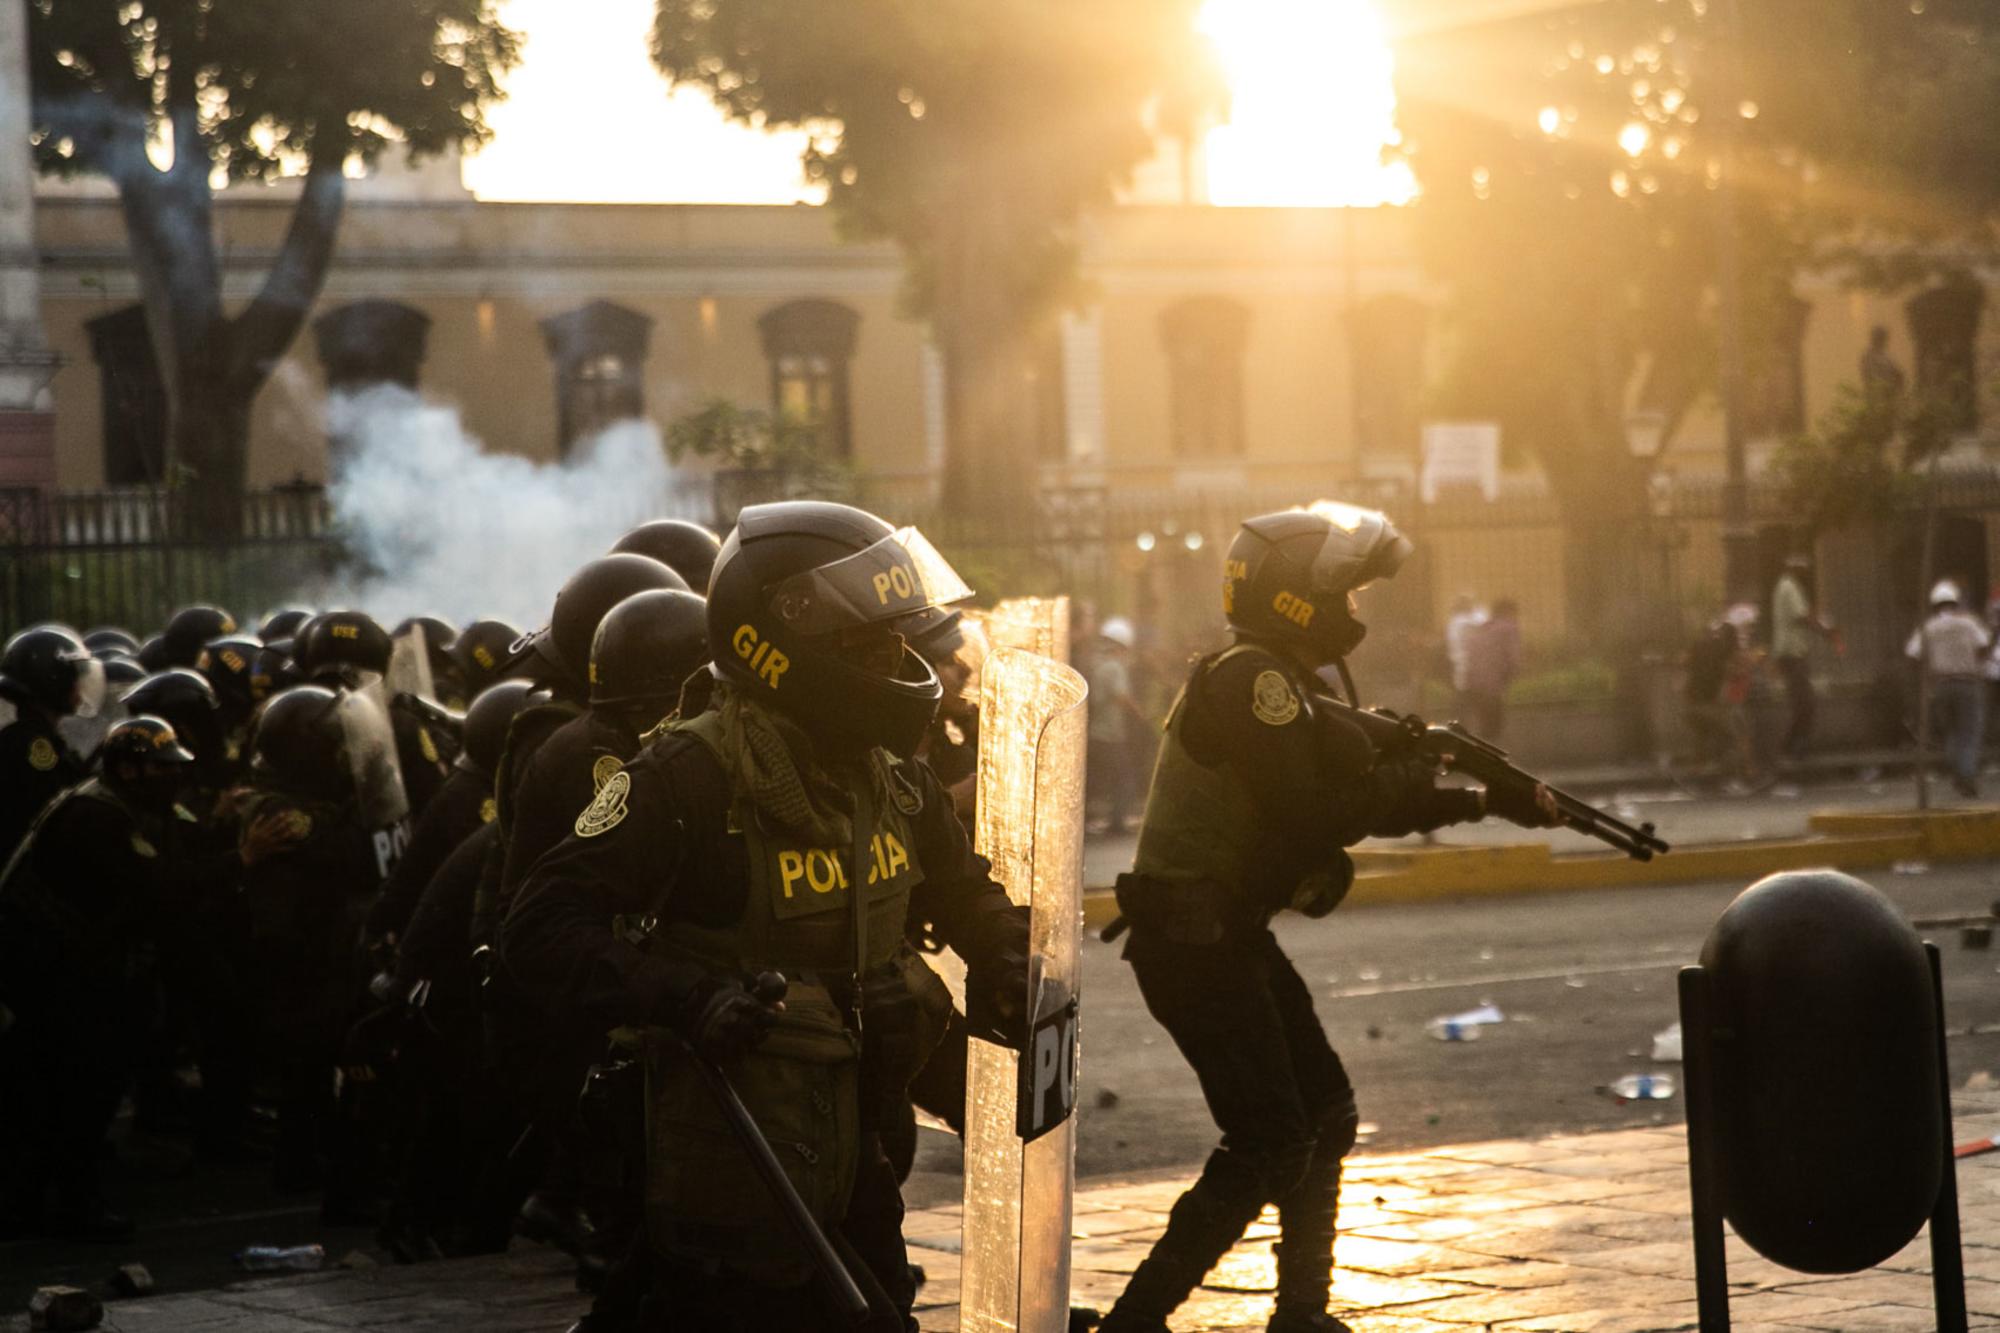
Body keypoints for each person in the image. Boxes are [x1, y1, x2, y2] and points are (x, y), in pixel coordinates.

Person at [501, 500, 1030, 1332]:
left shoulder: (888, 774)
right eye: (865, 642)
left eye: (894, 637)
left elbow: (963, 887)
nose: (892, 659)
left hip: (857, 1138)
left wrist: (1006, 952)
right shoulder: (685, 777)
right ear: (777, 641)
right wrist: (688, 995)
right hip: (730, 1153)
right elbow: (539, 924)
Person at [1099, 503, 1557, 1333]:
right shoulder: (1255, 683)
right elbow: (1320, 810)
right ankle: (1135, 1321)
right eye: (1338, 593)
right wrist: (1436, 779)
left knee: (1326, 1114)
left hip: (1224, 937)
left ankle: (1302, 1315)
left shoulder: (1278, 681)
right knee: (1271, 1138)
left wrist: (1482, 797)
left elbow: (1356, 789)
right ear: (1291, 599)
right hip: (1195, 943)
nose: (1350, 610)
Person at [0, 716, 296, 1236]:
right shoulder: (97, 817)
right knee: (78, 1092)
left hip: (65, 969)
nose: (173, 777)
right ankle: (71, 1208)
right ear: (129, 770)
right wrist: (244, 858)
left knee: (65, 1093)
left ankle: (40, 1202)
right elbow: (163, 887)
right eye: (161, 768)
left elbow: (173, 858)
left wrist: (220, 827)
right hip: (53, 974)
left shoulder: (118, 804)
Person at [0, 625, 101, 862]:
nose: (80, 686)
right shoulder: (32, 747)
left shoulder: (23, 738)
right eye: (74, 677)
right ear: (54, 680)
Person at [1908, 579, 1992, 797]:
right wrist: (1975, 662)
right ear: (1955, 602)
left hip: (1941, 685)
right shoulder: (1969, 623)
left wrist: (1928, 672)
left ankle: (1958, 771)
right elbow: (1984, 646)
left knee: (1951, 732)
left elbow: (1913, 654)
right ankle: (1966, 774)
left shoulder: (1928, 627)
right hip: (1968, 683)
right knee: (1969, 732)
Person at [1770, 553, 1840, 765]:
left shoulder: (1785, 586)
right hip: (1792, 653)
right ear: (1797, 569)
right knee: (1805, 704)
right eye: (1804, 569)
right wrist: (1826, 632)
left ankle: (1791, 748)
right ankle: (1792, 749)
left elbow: (1805, 615)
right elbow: (1803, 617)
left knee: (1801, 703)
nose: (1806, 573)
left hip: (1790, 652)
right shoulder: (1790, 586)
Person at [1089, 616, 1146, 834]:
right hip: (1110, 734)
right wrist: (1140, 715)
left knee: (1100, 777)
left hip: (1097, 732)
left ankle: (1098, 818)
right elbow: (1122, 697)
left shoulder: (1098, 664)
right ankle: (1117, 822)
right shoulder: (1114, 667)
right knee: (1125, 778)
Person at [1459, 598, 1521, 738]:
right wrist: (1514, 669)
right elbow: (1512, 653)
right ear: (1508, 611)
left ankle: (1485, 734)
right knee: (1494, 704)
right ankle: (1491, 737)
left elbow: (1470, 649)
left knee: (1484, 707)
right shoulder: (1509, 627)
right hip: (1495, 672)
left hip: (1476, 673)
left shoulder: (1484, 627)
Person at [1442, 592, 1485, 715]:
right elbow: (1483, 620)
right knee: (1474, 698)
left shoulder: (1453, 623)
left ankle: (1460, 719)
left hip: (1460, 664)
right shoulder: (1470, 621)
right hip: (1473, 665)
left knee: (1462, 696)